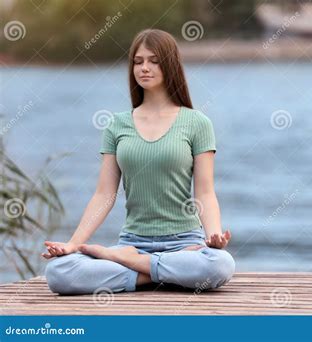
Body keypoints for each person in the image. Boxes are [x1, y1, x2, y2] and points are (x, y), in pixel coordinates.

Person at [42, 28, 235, 295]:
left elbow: (204, 191)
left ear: (170, 65)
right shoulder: (117, 125)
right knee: (58, 273)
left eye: (154, 61)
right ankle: (163, 272)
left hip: (184, 244)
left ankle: (131, 265)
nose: (145, 67)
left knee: (220, 264)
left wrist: (212, 237)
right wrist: (74, 244)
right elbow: (104, 195)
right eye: (138, 61)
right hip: (133, 242)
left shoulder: (197, 123)